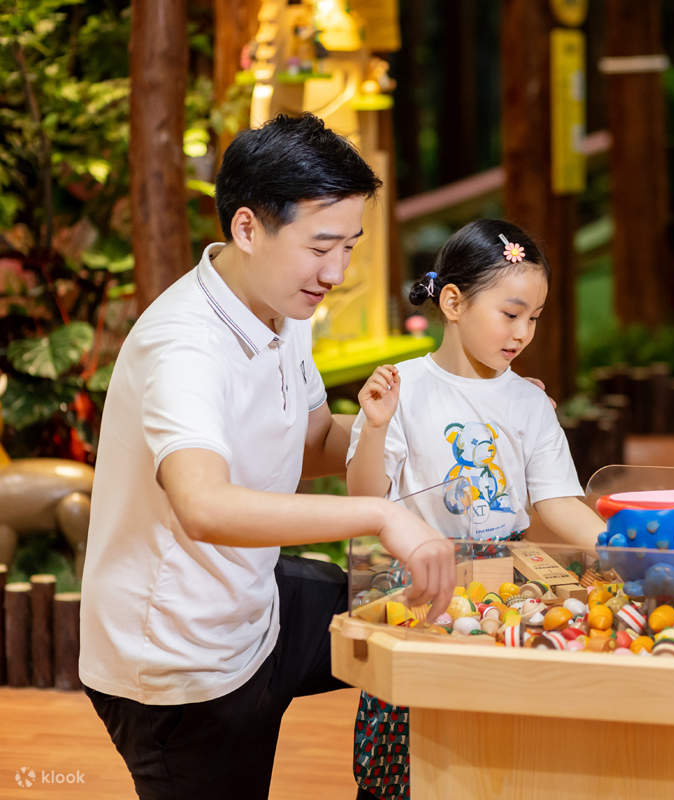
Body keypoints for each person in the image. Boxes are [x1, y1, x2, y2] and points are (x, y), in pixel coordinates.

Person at [78, 112, 456, 800]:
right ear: (248, 228)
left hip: (255, 604)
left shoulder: (280, 309)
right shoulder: (184, 346)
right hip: (179, 667)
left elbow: (310, 441)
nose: (336, 272)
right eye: (321, 247)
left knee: (430, 610)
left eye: (349, 245)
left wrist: (438, 429)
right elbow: (203, 504)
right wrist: (380, 515)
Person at [345, 218, 605, 798]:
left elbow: (558, 499)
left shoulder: (530, 402)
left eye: (534, 318)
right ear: (454, 302)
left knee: (496, 741)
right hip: (415, 583)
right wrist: (374, 428)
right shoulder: (400, 389)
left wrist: (617, 545)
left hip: (506, 583)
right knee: (406, 740)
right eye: (510, 314)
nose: (523, 333)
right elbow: (365, 503)